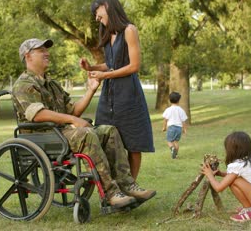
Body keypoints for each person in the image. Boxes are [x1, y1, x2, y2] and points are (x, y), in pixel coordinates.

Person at [12, 38, 156, 208]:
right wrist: (72, 120)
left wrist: (91, 89)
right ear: (28, 56)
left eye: (46, 49)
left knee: (109, 131)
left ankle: (127, 185)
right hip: (42, 136)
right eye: (41, 50)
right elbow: (37, 115)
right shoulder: (24, 84)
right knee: (86, 134)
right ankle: (111, 193)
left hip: (60, 133)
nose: (47, 53)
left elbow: (74, 111)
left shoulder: (52, 84)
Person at [79, 0, 154, 180]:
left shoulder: (129, 30)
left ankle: (131, 185)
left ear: (107, 6)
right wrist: (92, 67)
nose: (96, 18)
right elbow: (111, 64)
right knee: (105, 138)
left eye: (97, 12)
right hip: (109, 97)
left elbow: (134, 66)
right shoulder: (107, 33)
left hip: (128, 95)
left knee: (133, 143)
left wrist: (106, 75)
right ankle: (113, 186)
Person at [201, 131, 251, 222]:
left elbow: (219, 188)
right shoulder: (250, 161)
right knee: (235, 179)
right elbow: (237, 176)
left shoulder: (237, 165)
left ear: (232, 150)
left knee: (234, 181)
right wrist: (221, 174)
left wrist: (209, 175)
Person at [162, 92, 188, 159]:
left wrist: (164, 127)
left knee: (169, 141)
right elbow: (183, 120)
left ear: (170, 100)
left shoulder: (168, 110)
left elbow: (165, 119)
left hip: (171, 127)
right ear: (179, 100)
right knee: (176, 141)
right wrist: (184, 129)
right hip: (179, 128)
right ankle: (176, 155)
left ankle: (172, 148)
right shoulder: (181, 110)